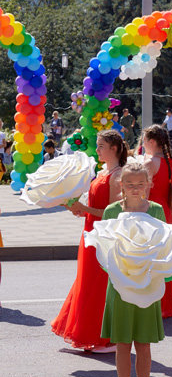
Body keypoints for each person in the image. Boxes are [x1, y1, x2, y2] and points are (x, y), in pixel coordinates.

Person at [101, 162, 166, 377]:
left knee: (144, 343)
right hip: (120, 284)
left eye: (140, 184)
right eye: (130, 184)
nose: (135, 188)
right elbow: (103, 248)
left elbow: (166, 245)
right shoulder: (111, 211)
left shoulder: (157, 211)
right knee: (122, 344)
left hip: (148, 284)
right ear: (121, 185)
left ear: (149, 184)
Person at [51, 130, 125, 353]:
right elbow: (95, 207)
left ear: (114, 148)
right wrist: (80, 210)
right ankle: (93, 335)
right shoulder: (104, 171)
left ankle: (106, 339)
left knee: (98, 287)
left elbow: (113, 213)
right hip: (89, 232)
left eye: (102, 145)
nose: (98, 149)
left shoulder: (118, 175)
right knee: (88, 283)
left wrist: (86, 210)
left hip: (103, 236)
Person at [141, 125, 172, 318]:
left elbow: (143, 194)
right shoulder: (169, 161)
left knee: (151, 260)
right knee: (166, 259)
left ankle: (154, 304)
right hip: (168, 212)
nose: (143, 144)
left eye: (144, 140)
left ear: (152, 142)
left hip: (153, 214)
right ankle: (166, 305)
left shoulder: (150, 163)